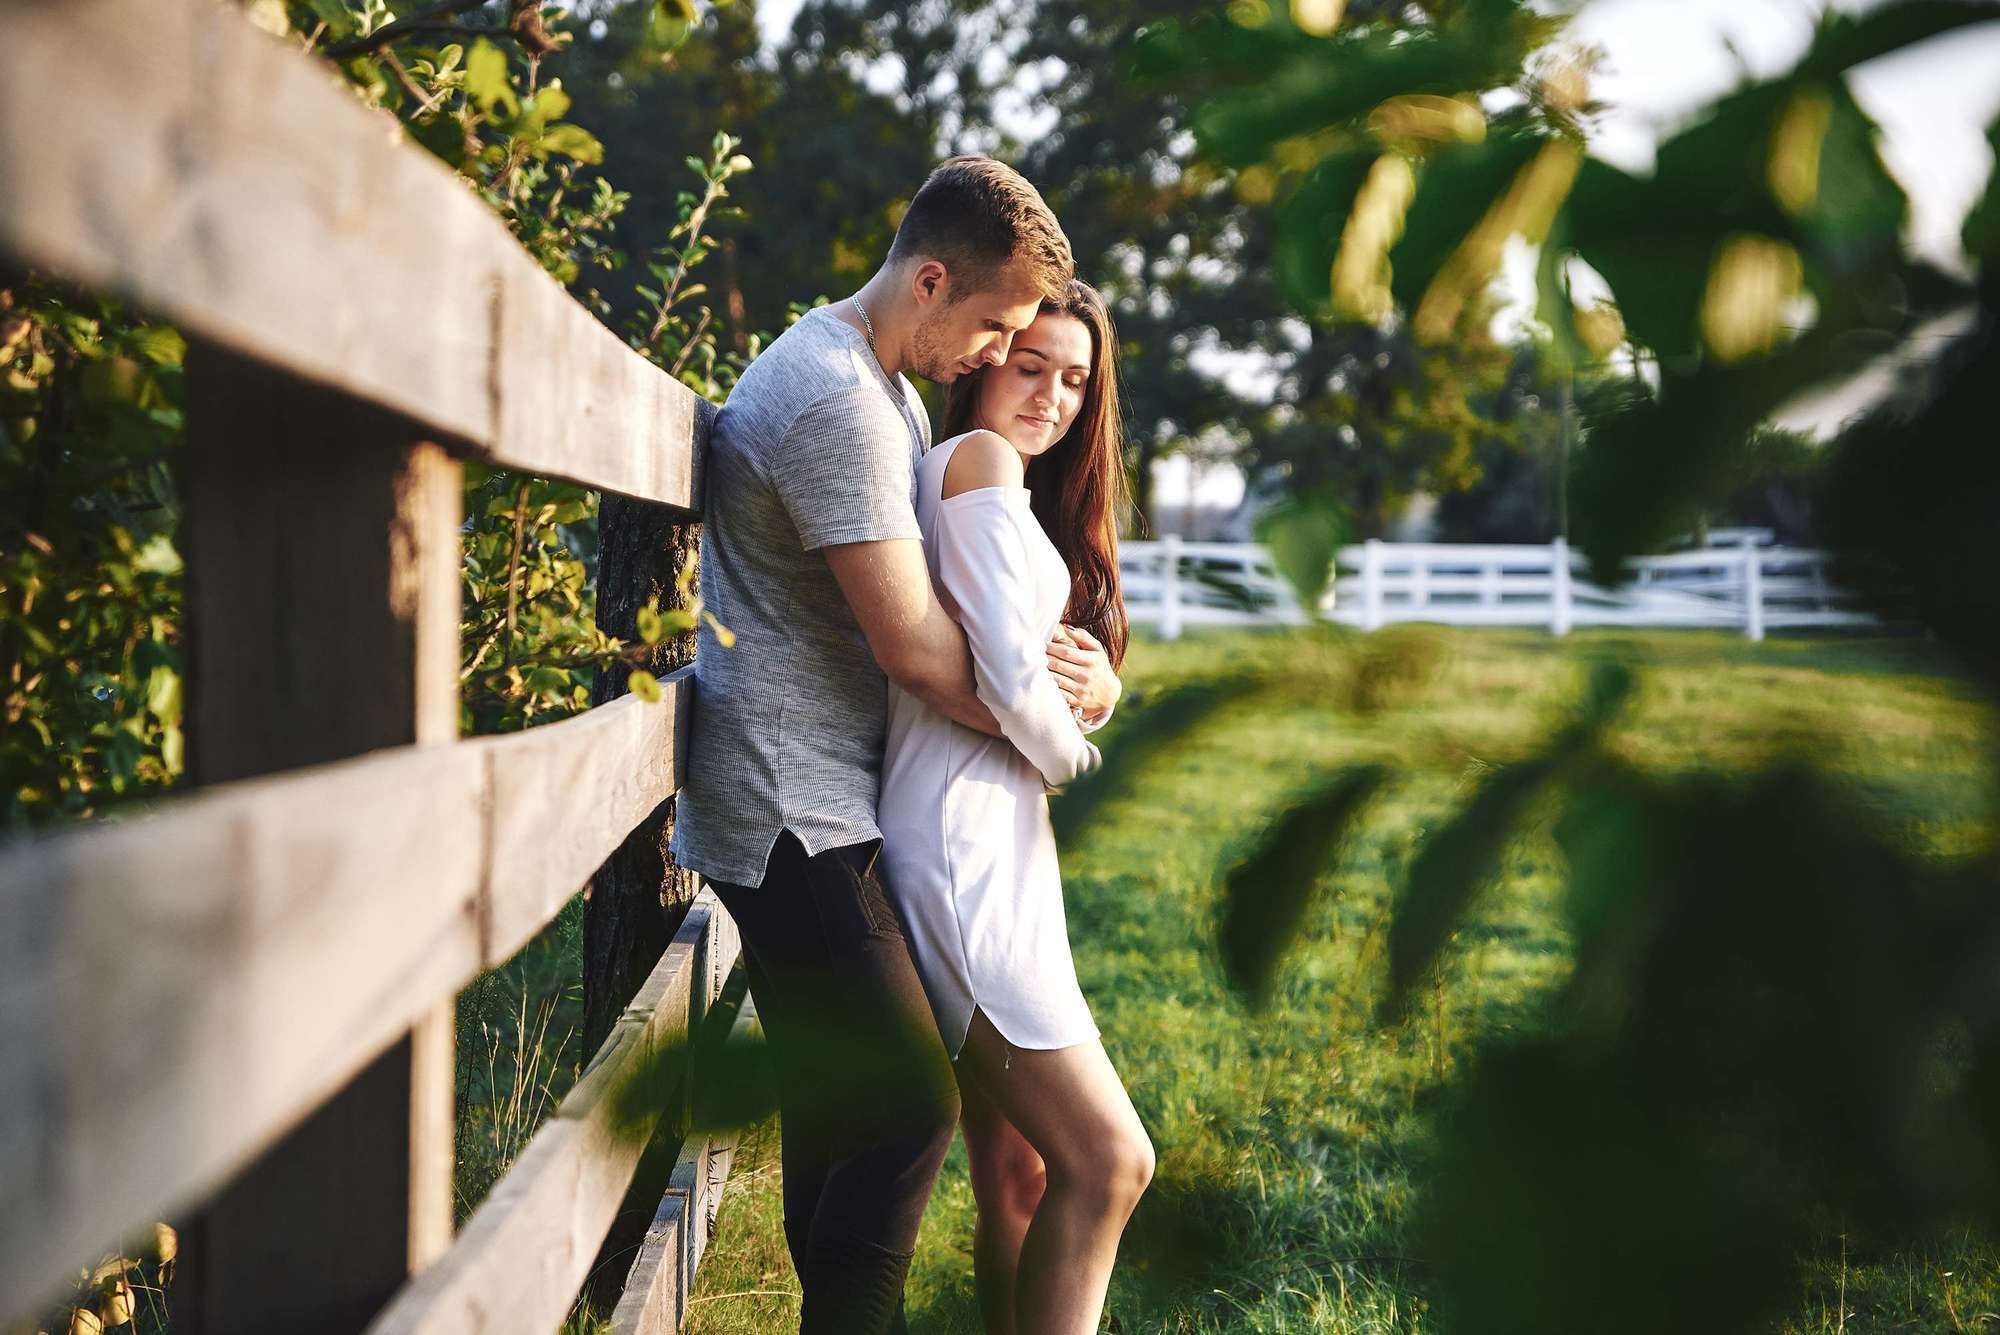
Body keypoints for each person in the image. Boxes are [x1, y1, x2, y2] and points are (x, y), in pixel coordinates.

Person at [669, 157, 1123, 1335]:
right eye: (992, 327)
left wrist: (1076, 683)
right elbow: (921, 653)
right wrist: (1052, 735)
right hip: (788, 805)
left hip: (829, 793)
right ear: (929, 280)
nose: (993, 356)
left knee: (844, 1116)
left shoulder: (884, 392)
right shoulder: (833, 397)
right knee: (905, 1109)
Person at [878, 279, 1153, 1335]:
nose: (1049, 395)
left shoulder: (996, 483)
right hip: (962, 853)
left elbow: (1038, 671)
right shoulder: (978, 463)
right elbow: (1001, 673)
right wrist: (1086, 763)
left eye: (1074, 379)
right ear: (984, 360)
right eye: (1028, 365)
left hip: (988, 841)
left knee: (1020, 1173)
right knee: (1110, 1158)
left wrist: (1101, 689)